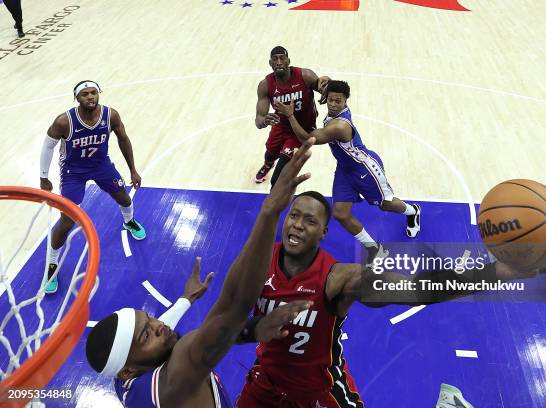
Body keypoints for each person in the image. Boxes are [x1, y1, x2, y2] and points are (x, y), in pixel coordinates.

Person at [235, 191, 540, 407]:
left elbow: (417, 289)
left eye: (310, 221)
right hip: (266, 386)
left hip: (319, 392)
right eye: (294, 216)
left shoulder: (340, 278)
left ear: (324, 233)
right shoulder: (260, 260)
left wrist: (495, 272)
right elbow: (227, 326)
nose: (298, 224)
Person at [86, 138, 318, 408]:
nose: (159, 326)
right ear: (128, 369)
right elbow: (232, 307)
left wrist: (185, 301)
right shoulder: (175, 376)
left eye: (149, 318)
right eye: (147, 335)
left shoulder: (125, 378)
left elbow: (171, 327)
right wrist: (269, 213)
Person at [273, 80, 421, 261]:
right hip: (344, 169)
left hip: (365, 169)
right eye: (331, 100)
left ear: (346, 102)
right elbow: (323, 85)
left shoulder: (340, 126)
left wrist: (290, 115)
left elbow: (307, 139)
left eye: (338, 101)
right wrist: (321, 83)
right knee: (341, 214)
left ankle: (413, 211)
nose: (334, 105)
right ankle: (374, 249)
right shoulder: (331, 106)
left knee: (385, 205)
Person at [39, 80, 146, 294]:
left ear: (99, 94)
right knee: (67, 219)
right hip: (73, 171)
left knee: (124, 198)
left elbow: (123, 139)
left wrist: (133, 169)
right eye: (85, 94)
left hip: (101, 165)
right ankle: (51, 265)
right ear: (77, 98)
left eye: (94, 93)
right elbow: (47, 146)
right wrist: (44, 177)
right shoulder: (64, 121)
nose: (90, 97)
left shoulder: (111, 115)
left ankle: (129, 222)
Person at [254, 46, 330, 186]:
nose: (278, 62)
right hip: (280, 126)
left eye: (282, 58)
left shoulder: (305, 76)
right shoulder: (265, 85)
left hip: (301, 129)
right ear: (270, 63)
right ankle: (267, 165)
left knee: (277, 179)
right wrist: (264, 120)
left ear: (288, 61)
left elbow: (324, 87)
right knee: (270, 153)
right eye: (274, 59)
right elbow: (258, 121)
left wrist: (327, 85)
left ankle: (276, 196)